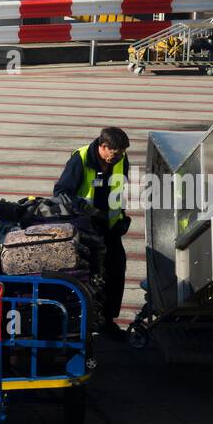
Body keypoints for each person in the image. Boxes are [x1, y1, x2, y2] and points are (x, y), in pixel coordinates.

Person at [54, 126, 131, 340]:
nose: (118, 158)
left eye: (122, 153)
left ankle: (107, 321)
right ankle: (83, 324)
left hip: (109, 228)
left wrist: (121, 216)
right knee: (88, 276)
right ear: (102, 147)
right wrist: (87, 210)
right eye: (115, 154)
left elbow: (121, 189)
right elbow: (61, 192)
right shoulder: (80, 160)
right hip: (84, 229)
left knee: (116, 271)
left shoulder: (122, 160)